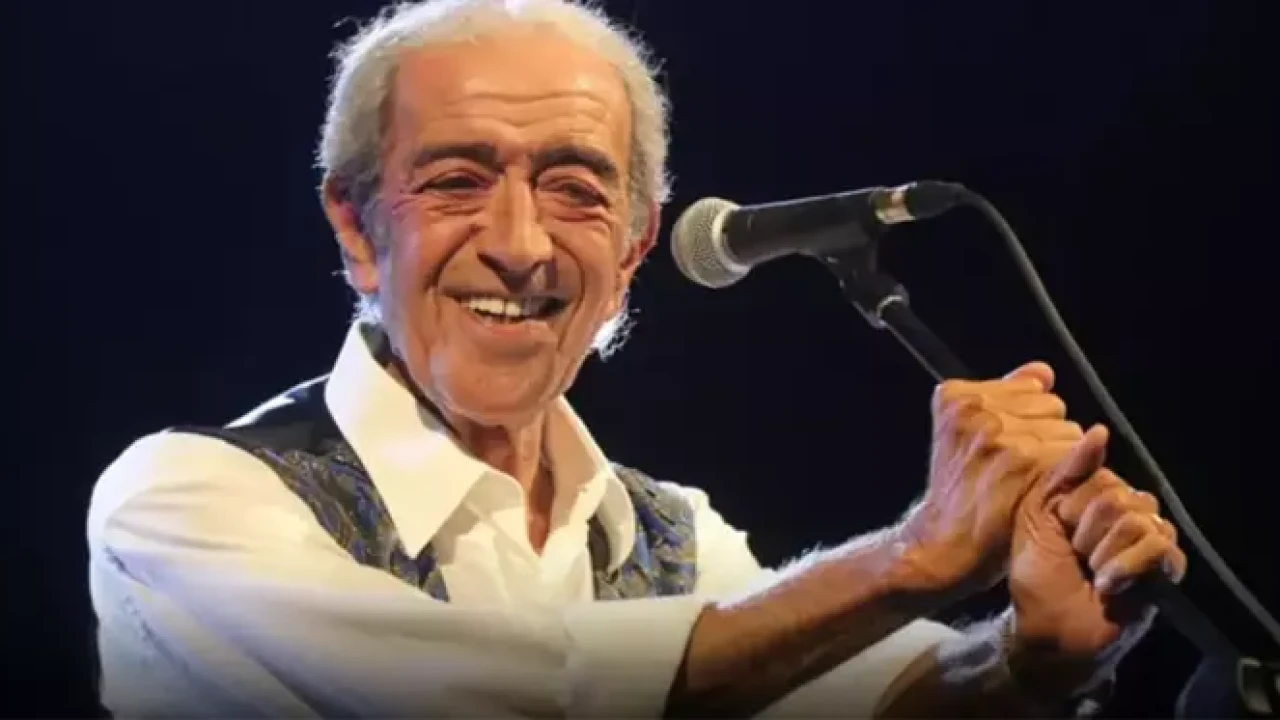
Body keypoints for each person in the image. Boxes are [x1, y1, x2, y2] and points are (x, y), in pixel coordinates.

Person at [85, 1, 1187, 718]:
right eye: (457, 179)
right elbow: (509, 700)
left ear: (630, 252)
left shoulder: (669, 535)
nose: (520, 244)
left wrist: (1024, 661)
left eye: (574, 188)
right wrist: (912, 557)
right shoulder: (189, 498)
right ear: (357, 229)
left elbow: (850, 702)